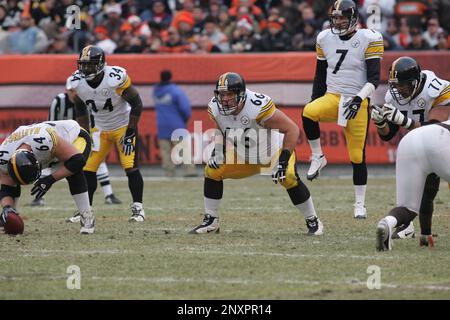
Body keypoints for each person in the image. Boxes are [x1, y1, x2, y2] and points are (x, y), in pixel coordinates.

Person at [189, 72, 323, 235]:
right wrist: (218, 151)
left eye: (230, 94)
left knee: (288, 177)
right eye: (222, 94)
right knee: (212, 171)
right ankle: (211, 221)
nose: (225, 99)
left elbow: (292, 129)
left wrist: (283, 160)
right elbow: (221, 128)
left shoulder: (257, 106)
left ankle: (313, 221)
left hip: (272, 153)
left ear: (241, 94)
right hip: (244, 156)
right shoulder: (214, 108)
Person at [301, 0, 384, 219]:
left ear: (354, 18)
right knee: (309, 111)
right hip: (333, 96)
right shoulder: (324, 38)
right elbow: (320, 75)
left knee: (357, 156)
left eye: (342, 18)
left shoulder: (369, 38)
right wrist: (314, 99)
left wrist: (359, 99)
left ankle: (360, 203)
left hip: (358, 99)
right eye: (335, 18)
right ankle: (318, 156)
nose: (338, 22)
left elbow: (375, 79)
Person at [371, 56, 450, 246]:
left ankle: (396, 226)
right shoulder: (393, 96)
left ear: (416, 81)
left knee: (414, 201)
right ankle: (424, 235)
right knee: (426, 191)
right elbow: (388, 136)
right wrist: (381, 124)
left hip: (434, 139)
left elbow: (434, 125)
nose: (398, 90)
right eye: (394, 85)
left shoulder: (437, 88)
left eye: (403, 85)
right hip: (432, 143)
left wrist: (404, 121)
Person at [66, 45, 145, 222]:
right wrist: (84, 133)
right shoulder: (77, 82)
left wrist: (131, 130)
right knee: (87, 169)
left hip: (123, 127)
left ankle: (138, 209)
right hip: (99, 129)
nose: (86, 68)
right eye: (83, 65)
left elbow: (137, 103)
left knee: (130, 168)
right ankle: (85, 211)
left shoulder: (115, 78)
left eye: (91, 64)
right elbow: (80, 109)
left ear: (101, 64)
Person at [0, 120, 95, 234]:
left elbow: (78, 160)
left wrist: (50, 179)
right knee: (12, 179)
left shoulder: (44, 140)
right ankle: (11, 214)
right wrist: (7, 207)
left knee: (73, 170)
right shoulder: (4, 155)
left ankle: (87, 215)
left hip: (74, 138)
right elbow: (7, 186)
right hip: (46, 147)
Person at [30, 90, 122, 207]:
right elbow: (50, 122)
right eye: (71, 90)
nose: (74, 93)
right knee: (49, 161)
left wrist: (90, 137)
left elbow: (92, 119)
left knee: (97, 159)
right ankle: (39, 197)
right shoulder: (59, 101)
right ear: (66, 90)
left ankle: (109, 195)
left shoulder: (87, 98)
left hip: (83, 134)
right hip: (61, 137)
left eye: (76, 90)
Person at [376, 121, 450, 251]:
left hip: (409, 140)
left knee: (407, 209)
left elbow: (428, 194)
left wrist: (425, 234)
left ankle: (387, 222)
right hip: (440, 138)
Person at [153, 69, 197, 177]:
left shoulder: (156, 91)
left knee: (165, 151)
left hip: (161, 125)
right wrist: (184, 120)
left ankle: (169, 172)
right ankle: (189, 170)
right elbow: (185, 108)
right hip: (176, 124)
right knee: (183, 149)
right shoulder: (175, 91)